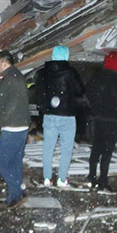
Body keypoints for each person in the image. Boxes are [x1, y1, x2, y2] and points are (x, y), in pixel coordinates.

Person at [34, 45, 86, 188]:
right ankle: (62, 179)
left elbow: (39, 94)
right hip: (67, 115)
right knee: (66, 149)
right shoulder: (71, 72)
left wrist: (44, 108)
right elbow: (80, 90)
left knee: (48, 148)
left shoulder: (43, 72)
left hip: (49, 115)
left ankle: (46, 178)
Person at [0, 50, 29, 209]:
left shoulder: (12, 78)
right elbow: (1, 93)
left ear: (4, 63)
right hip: (20, 125)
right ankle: (17, 193)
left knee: (1, 162)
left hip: (13, 126)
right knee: (14, 161)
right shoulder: (12, 76)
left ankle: (16, 193)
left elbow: (11, 102)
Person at [86, 51, 117, 193]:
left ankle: (91, 176)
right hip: (111, 119)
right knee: (107, 151)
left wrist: (95, 109)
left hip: (98, 117)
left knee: (96, 147)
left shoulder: (96, 77)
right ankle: (103, 180)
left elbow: (89, 93)